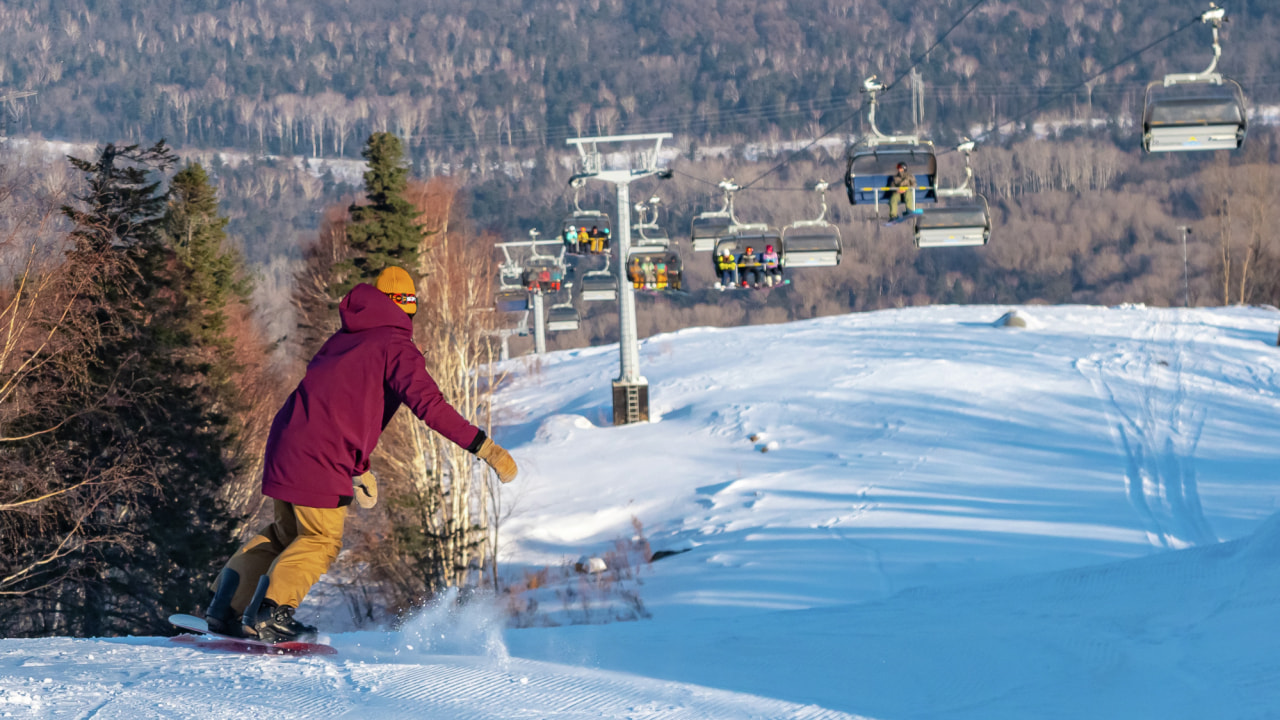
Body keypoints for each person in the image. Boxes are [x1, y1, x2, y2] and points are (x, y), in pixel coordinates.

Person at [202, 267, 518, 643]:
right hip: (320, 456)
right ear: (407, 307)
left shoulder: (344, 338)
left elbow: (339, 406)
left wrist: (359, 467)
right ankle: (271, 614)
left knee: (287, 535)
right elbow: (430, 406)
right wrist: (485, 447)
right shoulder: (395, 345)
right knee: (320, 539)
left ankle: (225, 608)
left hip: (286, 443)